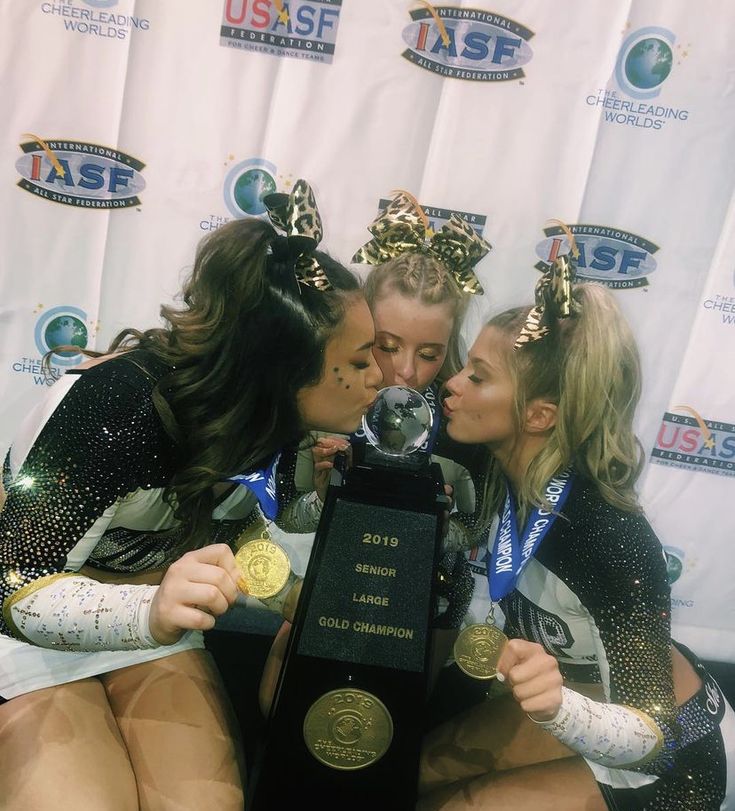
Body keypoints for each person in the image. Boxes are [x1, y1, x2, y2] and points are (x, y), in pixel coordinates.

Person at [0, 180, 382, 811]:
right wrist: (148, 611)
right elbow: (12, 579)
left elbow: (241, 536)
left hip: (150, 616)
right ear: (286, 369)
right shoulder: (112, 405)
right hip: (36, 621)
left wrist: (300, 596)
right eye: (363, 359)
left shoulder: (278, 422)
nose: (381, 379)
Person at [418, 233, 735, 810]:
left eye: (478, 377)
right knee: (409, 775)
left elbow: (654, 739)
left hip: (671, 760)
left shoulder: (608, 537)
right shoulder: (495, 462)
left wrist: (559, 709)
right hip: (581, 701)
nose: (453, 387)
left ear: (539, 415)